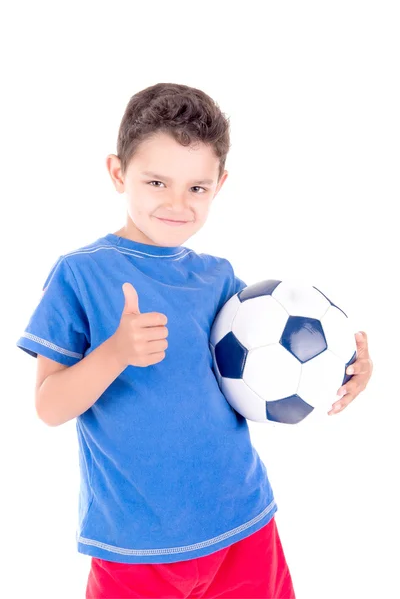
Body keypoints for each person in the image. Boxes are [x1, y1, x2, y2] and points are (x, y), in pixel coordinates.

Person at [16, 82, 372, 598]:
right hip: (135, 547)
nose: (177, 204)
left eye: (197, 188)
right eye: (157, 182)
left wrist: (344, 370)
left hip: (243, 527)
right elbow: (48, 407)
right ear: (118, 173)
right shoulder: (80, 274)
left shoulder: (221, 279)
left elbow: (270, 372)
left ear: (220, 185)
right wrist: (115, 353)